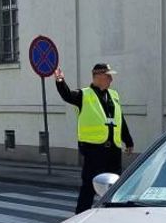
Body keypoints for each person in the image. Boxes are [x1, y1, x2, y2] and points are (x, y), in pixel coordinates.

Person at [53, 62, 134, 213]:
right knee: (89, 186)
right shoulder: (84, 95)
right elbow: (67, 95)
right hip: (94, 149)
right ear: (98, 76)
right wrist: (60, 81)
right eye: (108, 76)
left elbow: (119, 119)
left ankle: (111, 213)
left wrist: (128, 140)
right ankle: (81, 215)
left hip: (113, 150)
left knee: (115, 185)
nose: (111, 79)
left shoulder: (114, 95)